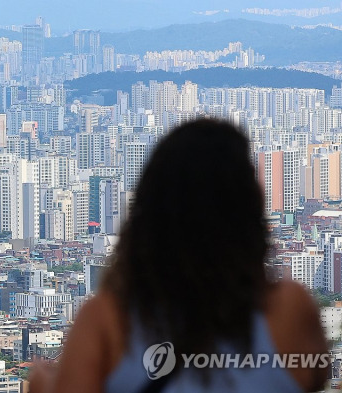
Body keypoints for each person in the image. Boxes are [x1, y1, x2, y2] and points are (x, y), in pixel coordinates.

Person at [30, 119, 328, 392]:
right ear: (250, 211)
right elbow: (315, 376)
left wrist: (42, 381)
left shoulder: (107, 322)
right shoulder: (289, 310)